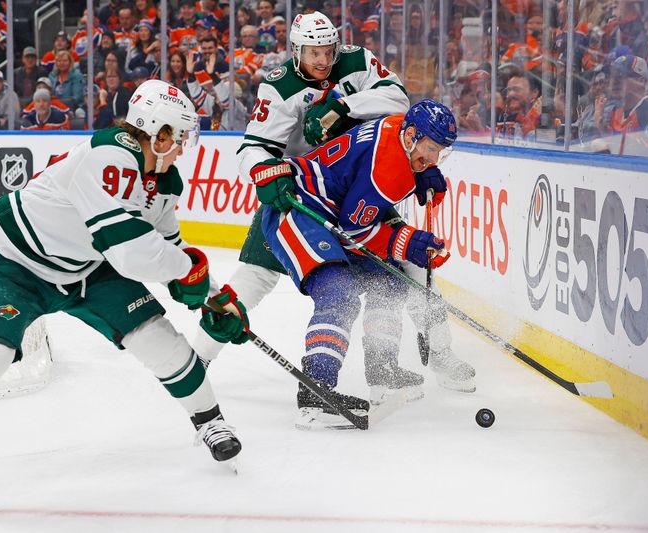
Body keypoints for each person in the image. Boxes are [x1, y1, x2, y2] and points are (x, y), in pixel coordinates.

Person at [0, 79, 249, 517]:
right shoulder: (109, 155)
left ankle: (210, 422)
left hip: (89, 267)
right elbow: (131, 252)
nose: (185, 146)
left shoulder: (163, 181)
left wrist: (214, 297)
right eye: (181, 136)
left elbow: (170, 249)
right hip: (18, 263)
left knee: (158, 339)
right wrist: (190, 275)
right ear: (159, 131)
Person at [191, 11, 475, 398]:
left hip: (359, 183)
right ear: (295, 51)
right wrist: (268, 175)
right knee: (255, 279)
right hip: (303, 193)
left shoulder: (355, 60)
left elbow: (398, 99)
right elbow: (253, 148)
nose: (324, 61)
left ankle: (422, 357)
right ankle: (198, 360)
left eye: (328, 50)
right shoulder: (278, 87)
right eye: (313, 53)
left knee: (402, 267)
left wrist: (343, 105)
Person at [259, 100, 462, 428]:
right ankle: (317, 391)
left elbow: (360, 195)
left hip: (333, 206)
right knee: (338, 292)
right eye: (431, 149)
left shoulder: (398, 127)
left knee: (391, 281)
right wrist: (408, 242)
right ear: (411, 135)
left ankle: (381, 367)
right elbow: (355, 231)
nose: (434, 159)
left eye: (441, 153)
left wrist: (421, 169)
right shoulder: (389, 170)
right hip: (299, 207)